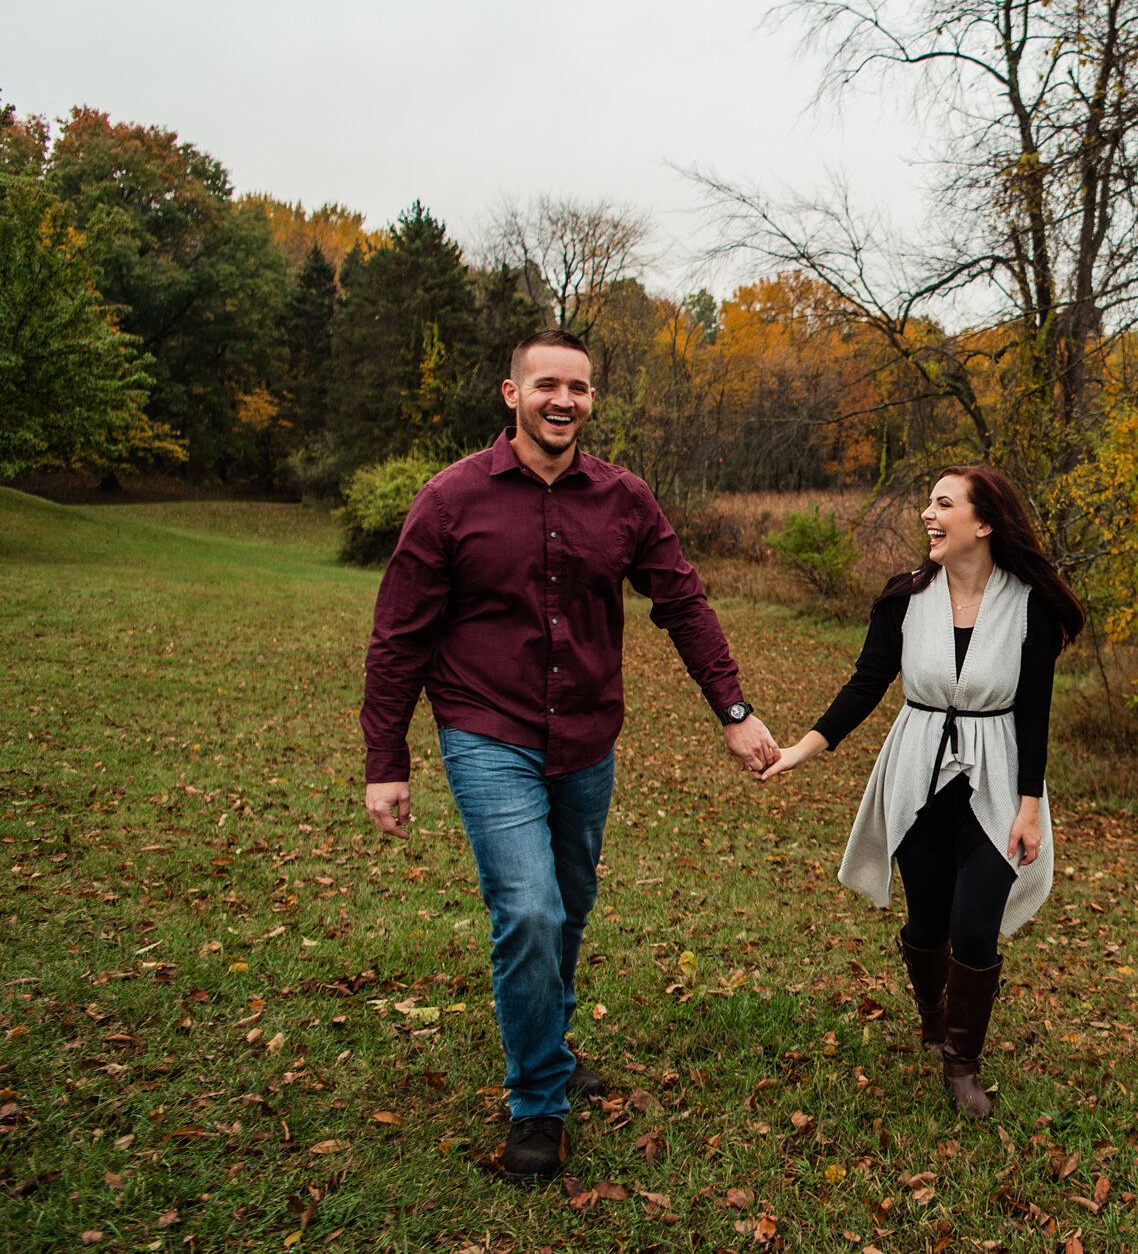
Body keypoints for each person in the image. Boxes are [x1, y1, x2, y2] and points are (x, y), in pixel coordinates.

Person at [359, 328, 780, 1181]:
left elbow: (683, 600)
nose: (564, 400)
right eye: (546, 384)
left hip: (587, 735)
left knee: (570, 905)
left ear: (591, 399)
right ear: (510, 394)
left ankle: (547, 1037)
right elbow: (398, 636)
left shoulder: (624, 499)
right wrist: (385, 758)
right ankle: (537, 1106)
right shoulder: (450, 500)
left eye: (579, 388)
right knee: (530, 910)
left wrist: (732, 708)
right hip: (488, 729)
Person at [760, 464, 1084, 1117]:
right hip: (918, 775)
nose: (927, 516)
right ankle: (934, 1016)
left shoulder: (1031, 606)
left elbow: (1035, 712)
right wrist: (802, 747)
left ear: (984, 522)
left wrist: (1028, 807)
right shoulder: (904, 597)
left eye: (943, 504)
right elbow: (866, 682)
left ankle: (962, 1062)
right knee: (927, 919)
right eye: (926, 504)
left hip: (995, 778)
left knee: (974, 922)